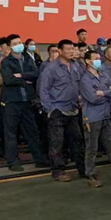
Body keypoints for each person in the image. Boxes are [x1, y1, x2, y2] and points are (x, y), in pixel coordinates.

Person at [38, 40, 86, 182]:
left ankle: (83, 169)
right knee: (57, 143)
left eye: (73, 49)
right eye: (68, 49)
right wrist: (49, 110)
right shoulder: (51, 69)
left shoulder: (76, 66)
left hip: (73, 109)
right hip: (57, 110)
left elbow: (80, 84)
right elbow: (43, 90)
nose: (72, 51)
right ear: (60, 51)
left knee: (77, 141)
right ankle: (58, 171)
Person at [0, 35, 48, 171]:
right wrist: (26, 79)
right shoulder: (6, 62)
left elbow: (35, 74)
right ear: (10, 47)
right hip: (11, 101)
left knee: (32, 131)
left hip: (27, 100)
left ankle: (39, 159)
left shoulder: (28, 58)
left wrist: (21, 75)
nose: (18, 45)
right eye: (15, 43)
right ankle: (13, 161)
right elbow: (8, 80)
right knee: (11, 133)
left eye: (20, 42)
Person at [80, 50, 111, 188]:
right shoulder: (85, 79)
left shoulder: (103, 75)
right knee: (92, 148)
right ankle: (91, 174)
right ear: (88, 61)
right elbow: (93, 98)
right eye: (95, 58)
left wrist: (103, 93)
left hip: (105, 115)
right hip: (92, 117)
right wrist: (108, 94)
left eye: (99, 58)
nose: (98, 61)